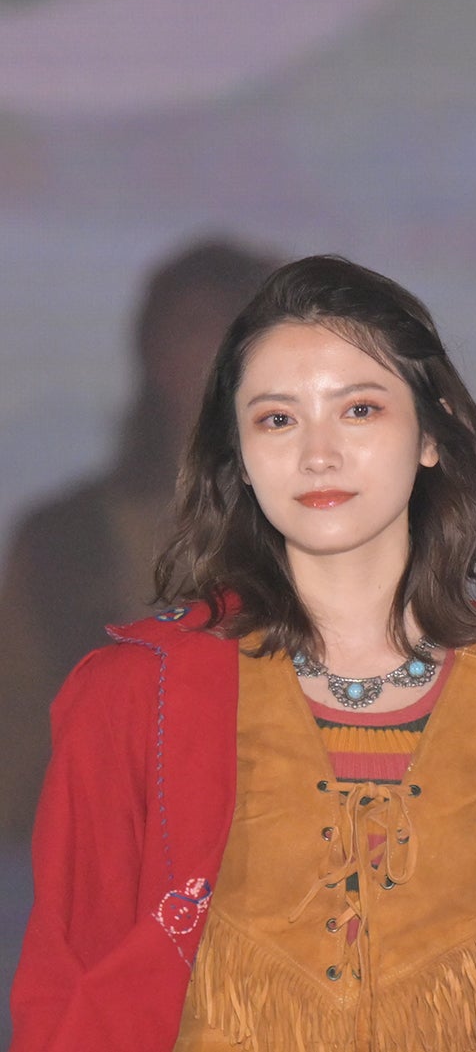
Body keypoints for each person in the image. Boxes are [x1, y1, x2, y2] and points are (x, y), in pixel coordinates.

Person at [10, 255, 476, 1051]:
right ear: (239, 457)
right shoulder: (131, 698)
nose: (318, 453)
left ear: (431, 434)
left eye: (359, 409)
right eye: (277, 419)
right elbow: (70, 999)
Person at [0, 237, 276, 838]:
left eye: (233, 331)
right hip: (92, 841)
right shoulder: (60, 539)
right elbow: (17, 718)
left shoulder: (323, 529)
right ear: (153, 351)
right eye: (193, 329)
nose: (211, 355)